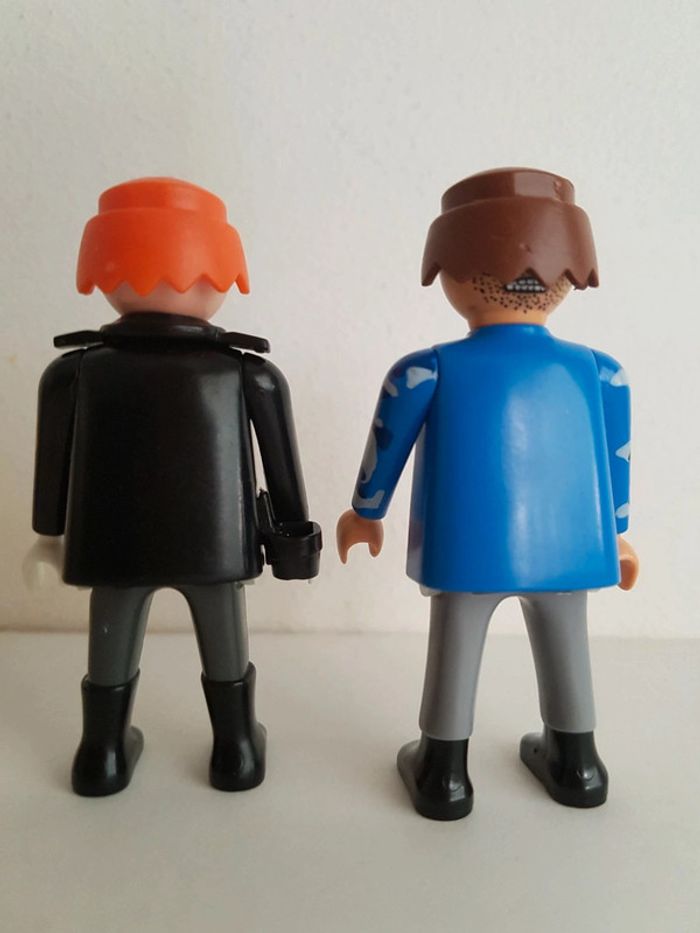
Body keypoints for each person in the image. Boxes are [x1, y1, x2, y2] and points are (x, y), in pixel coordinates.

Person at [337, 167, 639, 820]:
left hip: (467, 549)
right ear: (571, 275)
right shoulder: (600, 372)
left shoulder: (426, 368)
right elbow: (615, 461)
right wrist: (616, 533)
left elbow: (387, 442)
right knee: (566, 643)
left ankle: (442, 773)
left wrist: (365, 512)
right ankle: (577, 763)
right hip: (569, 550)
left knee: (456, 646)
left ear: (448, 274)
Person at [31, 177, 320, 796]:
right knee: (224, 636)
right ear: (223, 277)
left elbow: (51, 466)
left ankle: (101, 755)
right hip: (216, 546)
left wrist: (46, 536)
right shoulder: (248, 373)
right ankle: (236, 751)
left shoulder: (74, 373)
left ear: (101, 273)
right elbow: (282, 471)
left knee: (111, 637)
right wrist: (293, 536)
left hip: (114, 547)